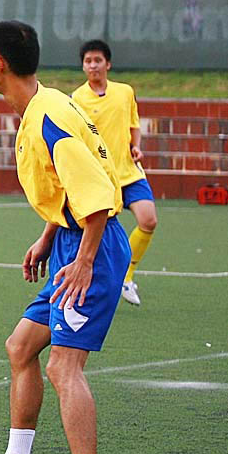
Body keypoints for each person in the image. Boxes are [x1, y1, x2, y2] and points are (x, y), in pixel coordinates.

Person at [0, 21, 130, 454]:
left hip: (92, 247)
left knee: (63, 367)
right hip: (73, 240)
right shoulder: (43, 107)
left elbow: (95, 197)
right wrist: (49, 236)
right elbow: (69, 190)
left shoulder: (49, 117)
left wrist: (84, 261)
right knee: (21, 347)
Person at [72, 40, 157, 306]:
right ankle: (87, 282)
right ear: (83, 66)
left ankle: (126, 276)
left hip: (129, 172)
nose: (93, 65)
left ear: (107, 64)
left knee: (148, 220)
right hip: (101, 177)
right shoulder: (77, 98)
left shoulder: (125, 92)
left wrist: (136, 147)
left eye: (98, 60)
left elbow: (134, 125)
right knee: (97, 236)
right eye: (88, 61)